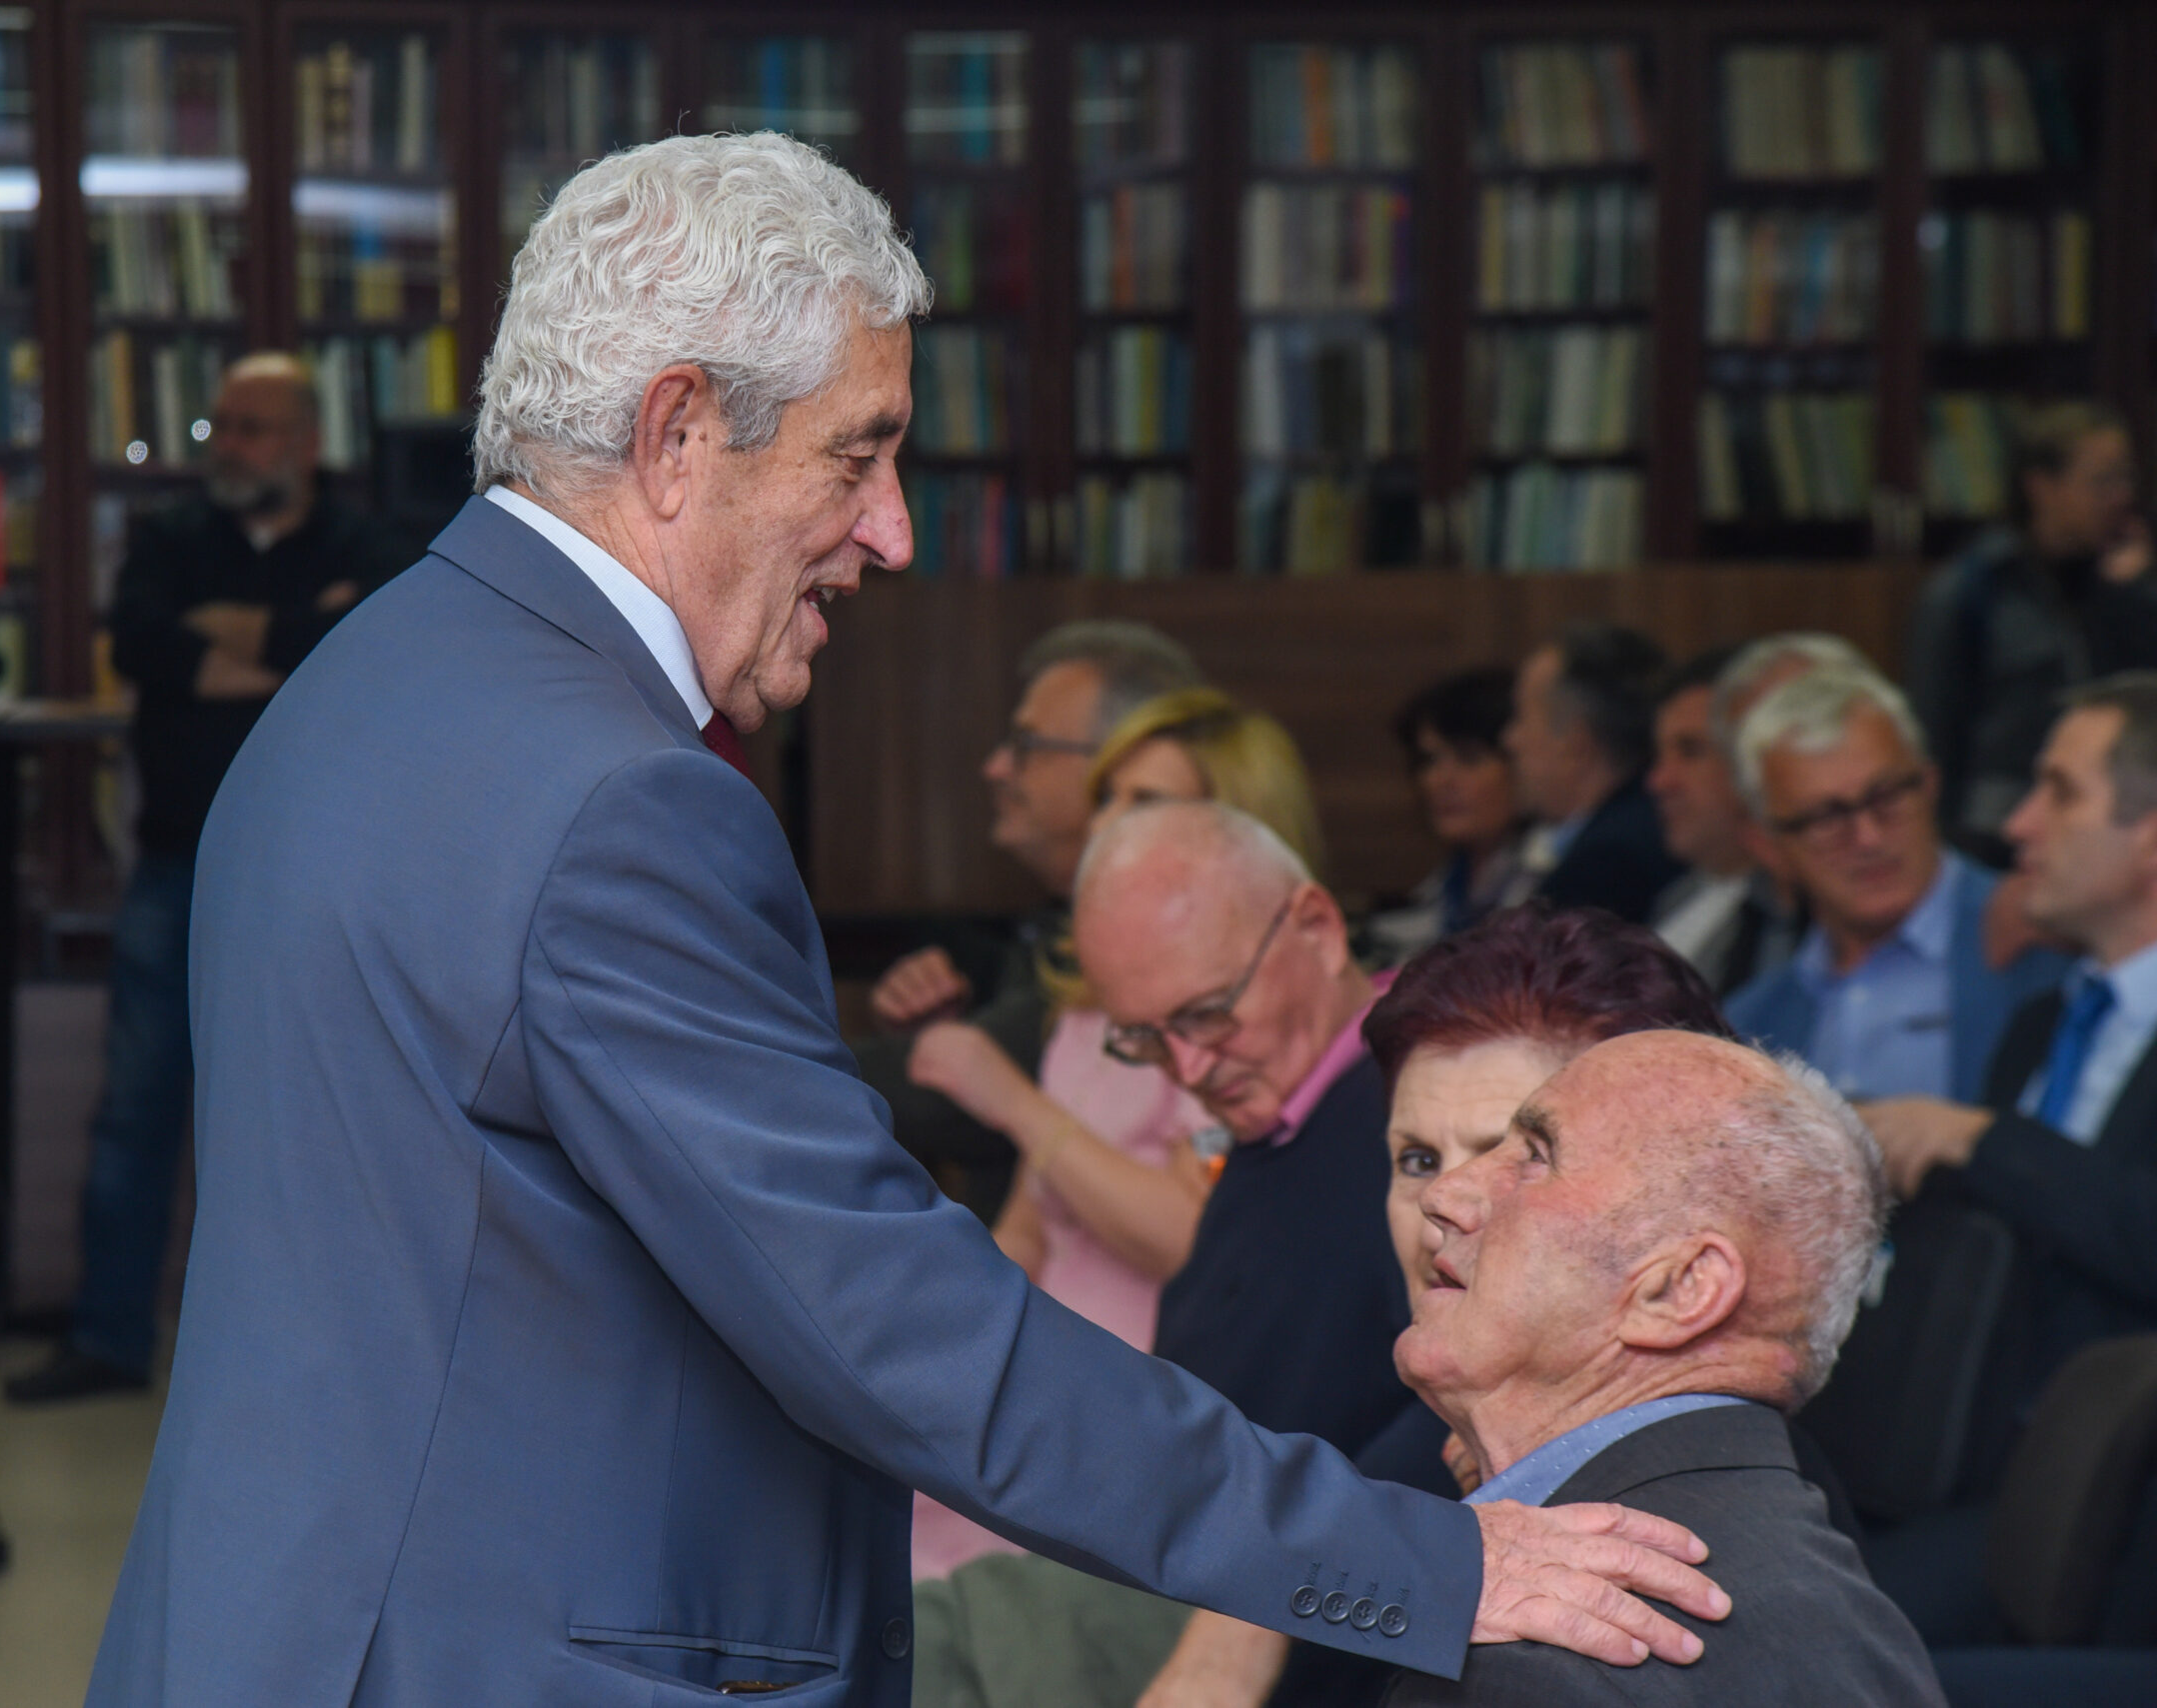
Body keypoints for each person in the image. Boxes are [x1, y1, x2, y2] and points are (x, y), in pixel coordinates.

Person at [86, 135, 1729, 1706]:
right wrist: (1424, 1558)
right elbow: (892, 1324)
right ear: (677, 434)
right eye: (856, 454)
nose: (894, 531)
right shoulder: (623, 804)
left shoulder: (363, 678)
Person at [1126, 905, 1739, 1708]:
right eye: (1417, 1158)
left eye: (1517, 1156)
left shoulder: (1690, 1544)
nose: (1441, 1201)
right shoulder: (1444, 1457)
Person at [914, 800, 1439, 1702]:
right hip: (1180, 1559)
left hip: (1273, 1609)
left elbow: (1470, 1416)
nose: (1188, 1071)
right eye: (1147, 1038)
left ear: (1317, 929)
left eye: (1208, 1013)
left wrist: (1260, 1614)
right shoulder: (1277, 1113)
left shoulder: (1426, 1105)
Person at [4, 352, 407, 1404]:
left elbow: (368, 646)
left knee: (310, 1118)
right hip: (177, 860)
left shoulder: (365, 544)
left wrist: (232, 635)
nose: (227, 446)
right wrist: (293, 643)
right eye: (220, 426)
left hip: (320, 874)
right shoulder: (169, 538)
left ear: (307, 443)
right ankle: (107, 1338)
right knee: (136, 1108)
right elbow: (142, 642)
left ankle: (305, 1358)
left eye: (251, 428)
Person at [1385, 1031, 1946, 1705]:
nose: (1444, 1195)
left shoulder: (1535, 1659)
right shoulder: (1865, 1629)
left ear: (1679, 1290)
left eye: (1535, 1156)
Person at [900, 689, 1317, 1578]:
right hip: (1036, 1387)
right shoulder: (1089, 1013)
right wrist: (949, 1353)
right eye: (1107, 797)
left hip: (1136, 1409)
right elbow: (1028, 1228)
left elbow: (1194, 1239)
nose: (1107, 823)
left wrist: (1014, 1101)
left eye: (1145, 801)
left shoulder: (1218, 1032)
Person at [1855, 674, 2157, 1643]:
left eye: (2059, 791)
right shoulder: (2043, 1019)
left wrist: (1985, 1140)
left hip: (2118, 1498)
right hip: (1959, 1452)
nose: (2019, 823)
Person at [855, 620, 1202, 1220]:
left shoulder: (1166, 957)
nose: (995, 767)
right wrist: (943, 1036)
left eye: (1027, 745)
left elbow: (948, 1099)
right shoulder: (1057, 929)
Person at [1725, 666, 2068, 1101]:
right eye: (1827, 818)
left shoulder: (2052, 938)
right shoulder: (1751, 1025)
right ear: (1768, 846)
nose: (1867, 838)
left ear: (1930, 786)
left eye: (1886, 796)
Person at [1906, 401, 2157, 859]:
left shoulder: (2119, 585)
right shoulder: (1972, 589)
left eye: (2127, 479)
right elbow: (1935, 732)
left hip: (2105, 824)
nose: (2121, 497)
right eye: (2102, 482)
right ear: (2041, 487)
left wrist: (2136, 594)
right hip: (1995, 831)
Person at [1502, 623, 1682, 925]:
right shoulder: (1636, 825)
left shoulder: (1608, 864)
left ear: (1576, 745)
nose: (1509, 739)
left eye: (1521, 717)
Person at [1645, 646, 1798, 994]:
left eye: (1690, 751)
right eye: (1659, 755)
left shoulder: (1788, 917)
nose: (1658, 781)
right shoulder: (1677, 896)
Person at [1368, 668, 1526, 960]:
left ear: (1520, 762)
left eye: (1469, 758)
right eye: (1428, 761)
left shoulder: (1558, 884)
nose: (1439, 780)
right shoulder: (1440, 890)